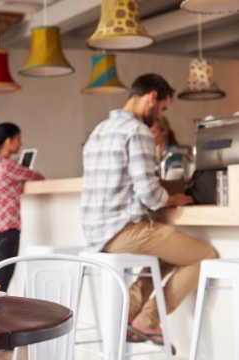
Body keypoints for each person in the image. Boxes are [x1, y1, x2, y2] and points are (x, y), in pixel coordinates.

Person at [80, 73, 217, 348]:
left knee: (170, 256)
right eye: (162, 109)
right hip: (122, 230)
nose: (158, 117)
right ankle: (148, 322)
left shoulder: (99, 130)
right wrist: (173, 199)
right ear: (152, 97)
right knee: (203, 256)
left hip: (96, 233)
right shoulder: (137, 131)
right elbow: (150, 194)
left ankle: (128, 312)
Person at [0, 122, 44, 292]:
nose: (20, 143)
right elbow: (37, 176)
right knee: (1, 287)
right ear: (8, 141)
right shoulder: (9, 166)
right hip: (6, 232)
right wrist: (22, 170)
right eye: (18, 139)